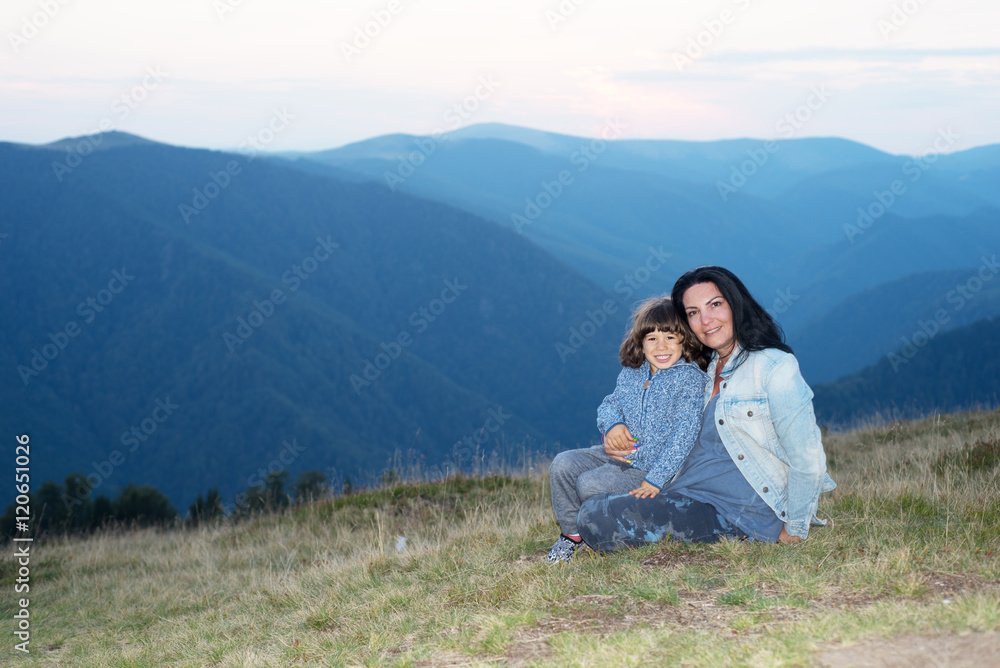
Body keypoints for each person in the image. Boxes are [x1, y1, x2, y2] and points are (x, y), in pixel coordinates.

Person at [577, 266, 836, 550]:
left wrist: (795, 528)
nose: (706, 320)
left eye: (715, 305)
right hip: (682, 490)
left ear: (736, 304)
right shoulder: (700, 368)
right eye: (693, 312)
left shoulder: (773, 367)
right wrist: (616, 436)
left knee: (594, 515)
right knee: (582, 481)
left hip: (734, 511)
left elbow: (807, 456)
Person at [546, 297, 709, 563]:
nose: (661, 346)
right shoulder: (633, 372)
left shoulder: (689, 380)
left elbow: (685, 435)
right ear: (640, 343)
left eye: (670, 337)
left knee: (588, 484)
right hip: (619, 455)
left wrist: (656, 479)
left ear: (685, 340)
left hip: (652, 469)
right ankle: (572, 535)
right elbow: (610, 404)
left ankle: (613, 528)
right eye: (652, 339)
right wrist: (613, 425)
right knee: (562, 464)